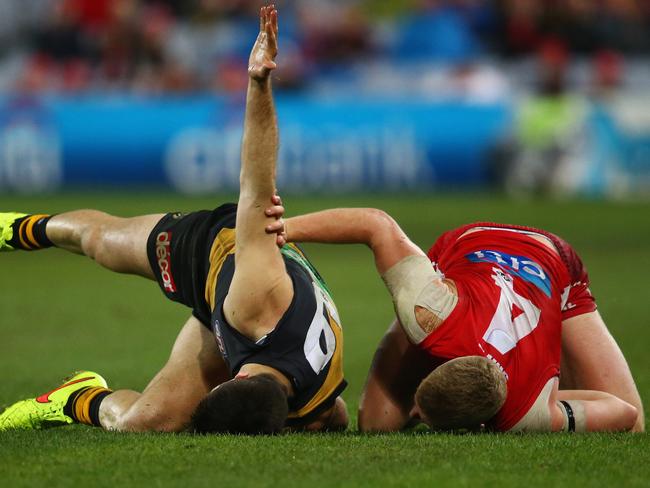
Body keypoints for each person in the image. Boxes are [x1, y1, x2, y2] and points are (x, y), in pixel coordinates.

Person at [0, 6, 348, 435]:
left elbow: (336, 413)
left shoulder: (313, 409)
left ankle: (75, 397)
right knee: (103, 243)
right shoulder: (259, 293)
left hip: (236, 324)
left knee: (142, 423)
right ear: (233, 375)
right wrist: (258, 82)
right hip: (215, 255)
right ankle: (16, 229)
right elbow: (256, 185)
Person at [264, 205, 643, 433]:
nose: (414, 413)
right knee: (376, 423)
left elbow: (626, 415)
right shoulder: (430, 310)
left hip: (552, 264)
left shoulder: (529, 415)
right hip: (471, 249)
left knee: (638, 425)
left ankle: (547, 346)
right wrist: (282, 231)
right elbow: (375, 224)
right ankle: (543, 355)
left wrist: (553, 405)